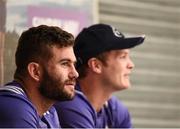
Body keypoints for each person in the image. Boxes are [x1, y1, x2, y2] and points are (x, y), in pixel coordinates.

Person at [54, 23, 145, 128]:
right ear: (96, 65)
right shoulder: (70, 105)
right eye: (123, 57)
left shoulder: (115, 108)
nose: (131, 65)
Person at [0, 25, 79, 128]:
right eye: (64, 64)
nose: (75, 73)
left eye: (74, 64)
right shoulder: (14, 108)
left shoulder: (49, 112)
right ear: (35, 71)